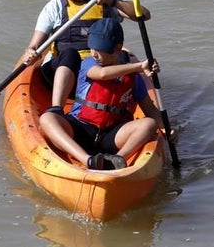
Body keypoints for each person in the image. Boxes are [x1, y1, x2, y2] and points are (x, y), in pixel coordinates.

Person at [20, 0, 150, 118]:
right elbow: (34, 46)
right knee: (69, 54)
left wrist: (111, 1)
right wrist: (30, 52)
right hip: (67, 76)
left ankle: (144, 115)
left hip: (100, 72)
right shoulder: (55, 7)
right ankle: (57, 110)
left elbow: (144, 15)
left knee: (123, 57)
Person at [37, 17, 162, 170]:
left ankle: (117, 159)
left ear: (117, 49)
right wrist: (140, 66)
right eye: (92, 48)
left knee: (149, 124)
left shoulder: (134, 78)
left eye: (100, 50)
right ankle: (88, 160)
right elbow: (102, 74)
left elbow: (151, 111)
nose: (94, 54)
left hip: (112, 135)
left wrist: (167, 130)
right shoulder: (89, 63)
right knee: (47, 118)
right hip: (81, 127)